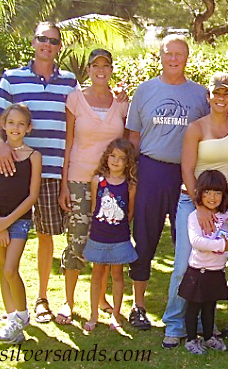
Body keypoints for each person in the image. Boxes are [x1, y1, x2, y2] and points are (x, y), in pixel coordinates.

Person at [0, 21, 78, 323]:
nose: (47, 44)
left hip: (52, 172)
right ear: (33, 41)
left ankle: (42, 299)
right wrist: (1, 147)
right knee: (7, 238)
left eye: (53, 41)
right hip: (14, 172)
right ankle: (12, 308)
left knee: (45, 236)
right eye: (42, 38)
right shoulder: (11, 79)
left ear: (59, 46)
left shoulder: (69, 82)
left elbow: (78, 124)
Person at [126, 34, 209, 330]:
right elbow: (133, 137)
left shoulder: (200, 95)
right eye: (168, 53)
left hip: (186, 175)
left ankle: (189, 307)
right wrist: (133, 175)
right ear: (159, 56)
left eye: (179, 54)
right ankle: (138, 306)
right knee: (145, 238)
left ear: (187, 58)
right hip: (151, 170)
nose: (173, 59)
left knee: (187, 242)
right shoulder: (144, 91)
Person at [162, 72, 228, 348]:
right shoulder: (196, 128)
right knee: (186, 263)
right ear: (208, 97)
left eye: (227, 94)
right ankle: (174, 324)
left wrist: (220, 209)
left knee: (213, 264)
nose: (221, 98)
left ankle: (203, 326)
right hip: (192, 201)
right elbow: (186, 168)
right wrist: (200, 206)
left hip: (225, 203)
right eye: (216, 93)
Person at [56, 48, 129, 325]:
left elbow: (125, 144)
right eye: (95, 65)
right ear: (88, 69)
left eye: (106, 65)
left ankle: (100, 299)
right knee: (76, 240)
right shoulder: (75, 99)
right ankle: (68, 301)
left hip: (111, 185)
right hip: (78, 179)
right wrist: (64, 183)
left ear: (111, 69)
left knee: (109, 240)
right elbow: (68, 142)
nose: (101, 70)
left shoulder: (121, 103)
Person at [0, 104, 42, 343]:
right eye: (10, 123)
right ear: (3, 125)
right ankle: (11, 316)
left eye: (20, 124)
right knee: (3, 267)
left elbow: (32, 196)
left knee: (10, 269)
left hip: (18, 221)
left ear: (28, 128)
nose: (15, 128)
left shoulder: (34, 156)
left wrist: (8, 222)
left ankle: (22, 316)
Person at [179, 170, 228, 354]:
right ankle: (190, 339)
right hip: (198, 270)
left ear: (224, 194)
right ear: (200, 193)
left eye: (217, 192)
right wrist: (220, 244)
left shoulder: (225, 217)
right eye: (207, 192)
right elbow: (197, 241)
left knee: (210, 306)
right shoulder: (193, 217)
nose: (212, 197)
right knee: (193, 307)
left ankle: (208, 337)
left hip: (216, 270)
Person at [82, 138, 138, 331]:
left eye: (121, 158)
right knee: (96, 274)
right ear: (106, 157)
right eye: (112, 156)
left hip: (119, 238)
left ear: (128, 162)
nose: (115, 161)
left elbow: (129, 212)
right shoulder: (98, 181)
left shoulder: (130, 185)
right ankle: (93, 314)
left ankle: (116, 314)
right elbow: (93, 209)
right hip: (98, 236)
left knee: (117, 275)